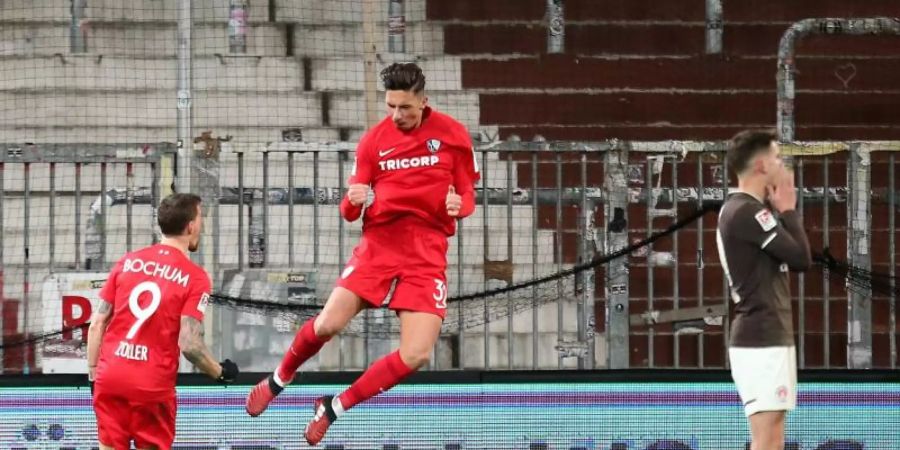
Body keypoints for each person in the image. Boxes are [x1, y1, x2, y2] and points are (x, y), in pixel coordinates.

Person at [245, 62, 480, 446]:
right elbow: (349, 210)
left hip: (426, 252)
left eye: (405, 107)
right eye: (391, 106)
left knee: (417, 354)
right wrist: (352, 202)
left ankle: (333, 406)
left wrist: (461, 205)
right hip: (379, 246)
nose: (397, 115)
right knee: (327, 325)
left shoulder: (453, 136)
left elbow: (468, 194)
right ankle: (278, 379)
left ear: (424, 102)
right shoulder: (373, 141)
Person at [87, 193, 239, 450]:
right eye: (200, 218)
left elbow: (97, 324)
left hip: (110, 379)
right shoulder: (195, 278)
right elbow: (189, 344)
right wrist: (220, 372)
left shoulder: (127, 262)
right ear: (191, 226)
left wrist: (94, 376)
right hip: (152, 387)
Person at [716, 130, 812, 450]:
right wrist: (787, 209)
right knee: (767, 437)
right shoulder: (745, 212)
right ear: (760, 166)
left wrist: (780, 212)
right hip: (760, 339)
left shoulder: (750, 210)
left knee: (774, 434)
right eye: (776, 158)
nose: (781, 164)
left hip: (770, 337)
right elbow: (801, 258)